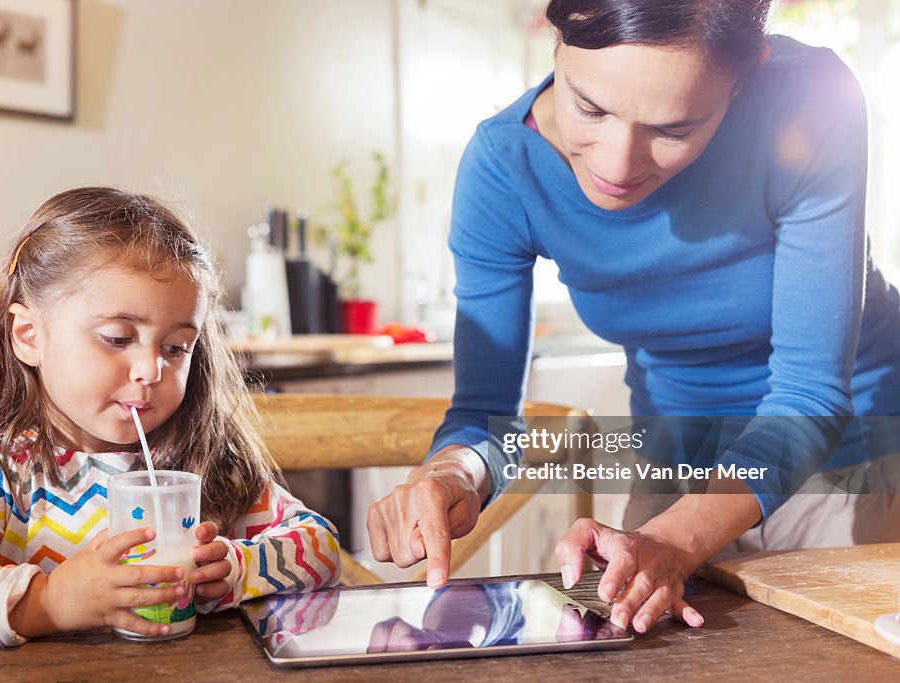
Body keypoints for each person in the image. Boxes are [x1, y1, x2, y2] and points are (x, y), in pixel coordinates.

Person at [367, 0, 900, 636]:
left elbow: (810, 395)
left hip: (850, 451)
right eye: (589, 108)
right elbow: (487, 412)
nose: (616, 166)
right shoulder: (504, 167)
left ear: (745, 75)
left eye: (674, 128)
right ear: (554, 38)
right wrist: (453, 473)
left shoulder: (810, 99)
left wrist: (674, 540)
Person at [0, 187, 341, 647]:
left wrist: (238, 568)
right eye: (118, 338)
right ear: (29, 335)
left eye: (176, 347)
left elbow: (320, 546)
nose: (150, 369)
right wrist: (48, 602)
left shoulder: (203, 465)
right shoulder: (4, 479)